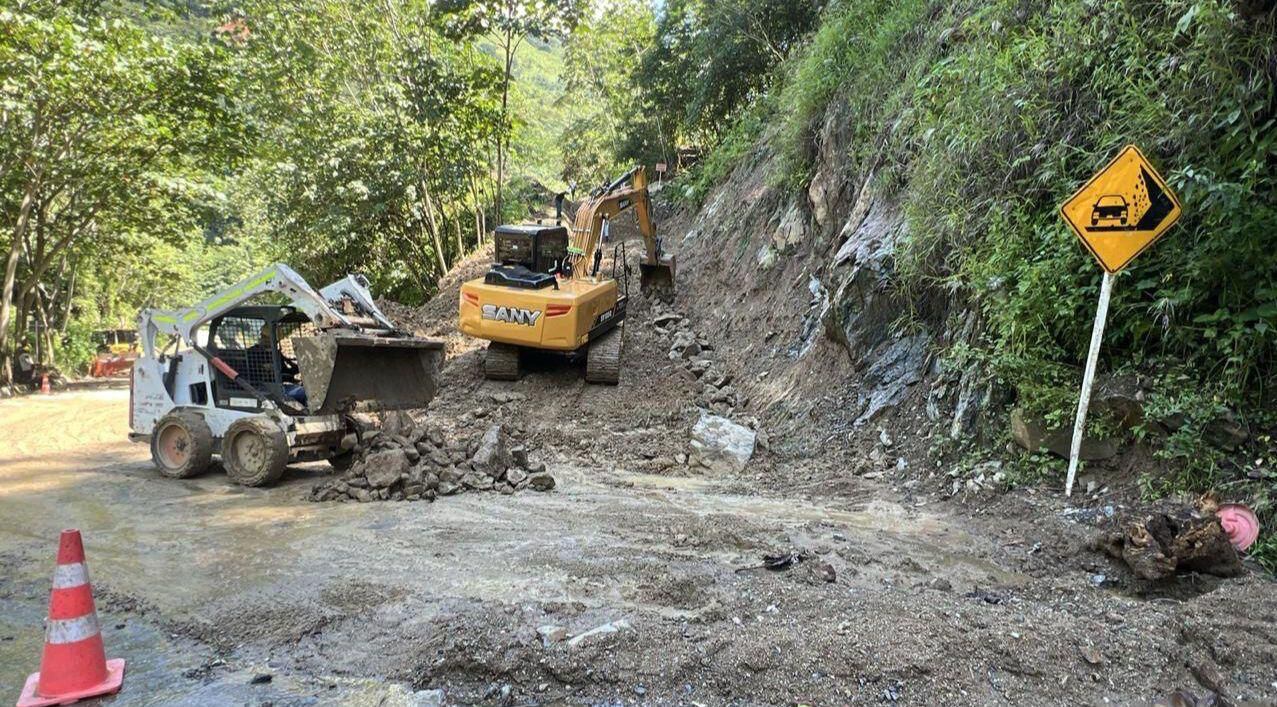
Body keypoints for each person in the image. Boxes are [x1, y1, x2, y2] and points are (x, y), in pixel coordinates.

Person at [247, 325, 307, 407]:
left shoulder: (276, 353)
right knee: (303, 393)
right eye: (264, 337)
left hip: (277, 386)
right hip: (264, 388)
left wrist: (299, 367)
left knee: (305, 391)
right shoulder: (252, 352)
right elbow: (252, 371)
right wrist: (266, 368)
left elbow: (284, 371)